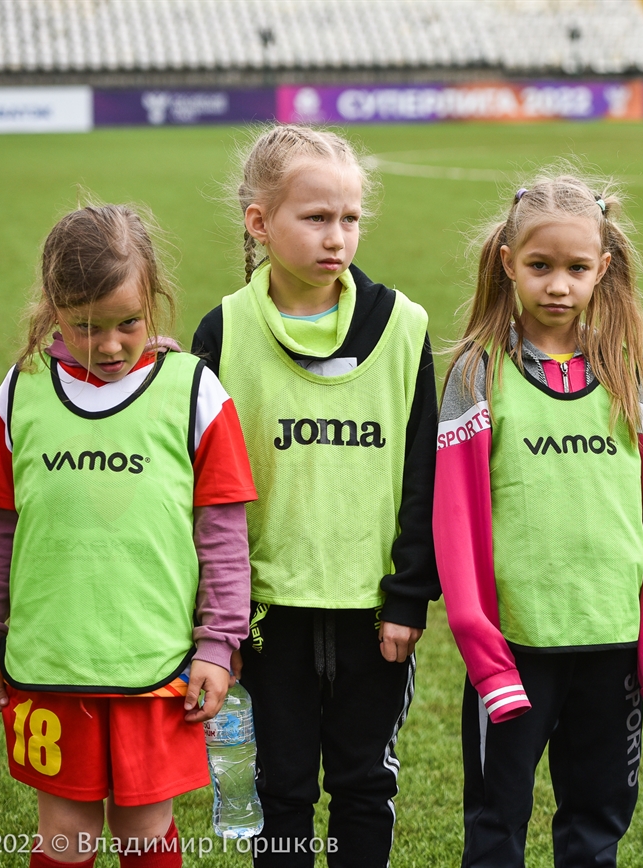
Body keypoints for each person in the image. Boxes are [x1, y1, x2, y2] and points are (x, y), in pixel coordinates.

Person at [0, 204, 256, 867]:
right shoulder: (22, 391)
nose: (110, 345)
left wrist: (217, 644)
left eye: (128, 322)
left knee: (143, 834)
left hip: (153, 666)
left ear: (154, 296)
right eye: (85, 326)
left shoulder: (194, 393)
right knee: (64, 840)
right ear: (53, 310)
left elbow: (222, 537)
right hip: (52, 664)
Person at [191, 125, 439, 866]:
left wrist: (407, 596)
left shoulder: (403, 326)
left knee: (367, 786)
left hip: (372, 612)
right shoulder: (225, 330)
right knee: (283, 789)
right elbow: (200, 489)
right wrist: (217, 622)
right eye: (316, 217)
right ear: (259, 221)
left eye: (350, 218)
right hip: (269, 612)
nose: (338, 237)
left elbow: (424, 470)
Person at [434, 171, 643, 868]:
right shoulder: (479, 372)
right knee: (496, 822)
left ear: (602, 271)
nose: (557, 285)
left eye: (577, 269)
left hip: (614, 648)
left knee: (596, 825)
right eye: (540, 266)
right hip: (516, 649)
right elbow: (455, 526)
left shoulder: (630, 373)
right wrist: (485, 653)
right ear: (508, 262)